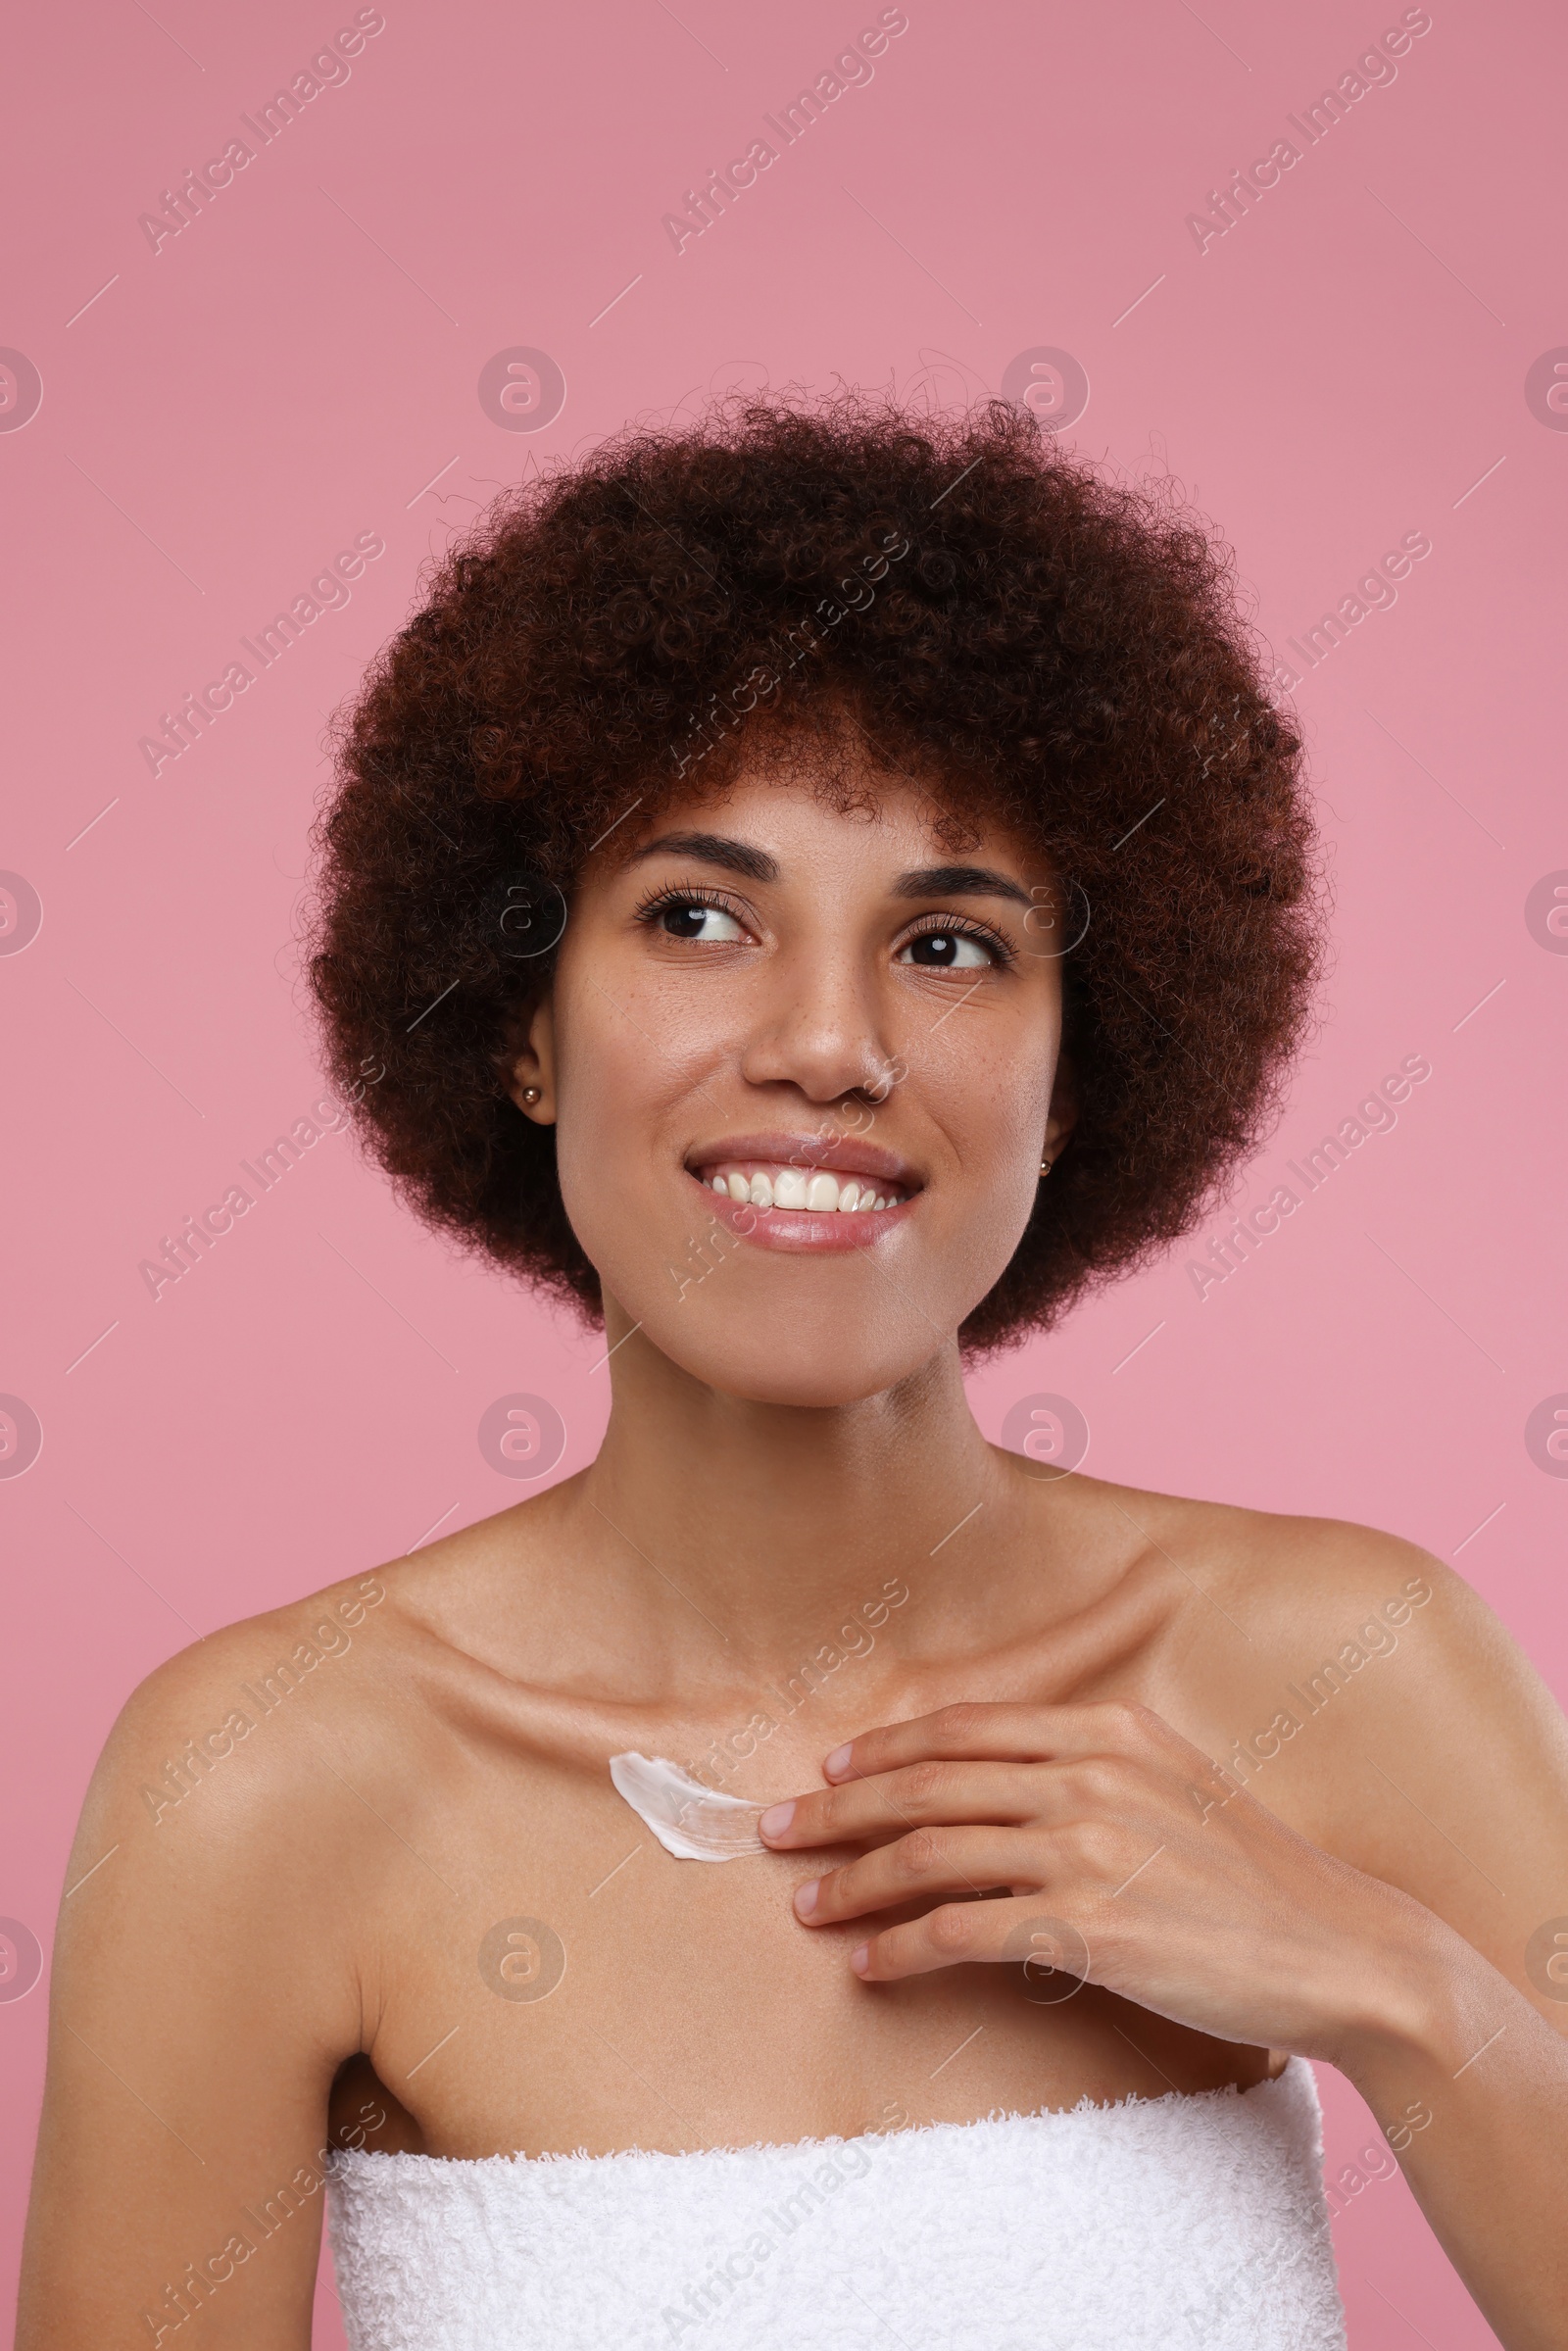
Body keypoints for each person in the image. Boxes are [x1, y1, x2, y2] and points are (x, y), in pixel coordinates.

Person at [19, 398, 1568, 2351]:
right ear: (520, 1027)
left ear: (1074, 1072)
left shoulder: (1345, 1665)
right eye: (695, 918)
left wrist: (1390, 1987)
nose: (826, 1043)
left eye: (947, 944)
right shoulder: (271, 1779)